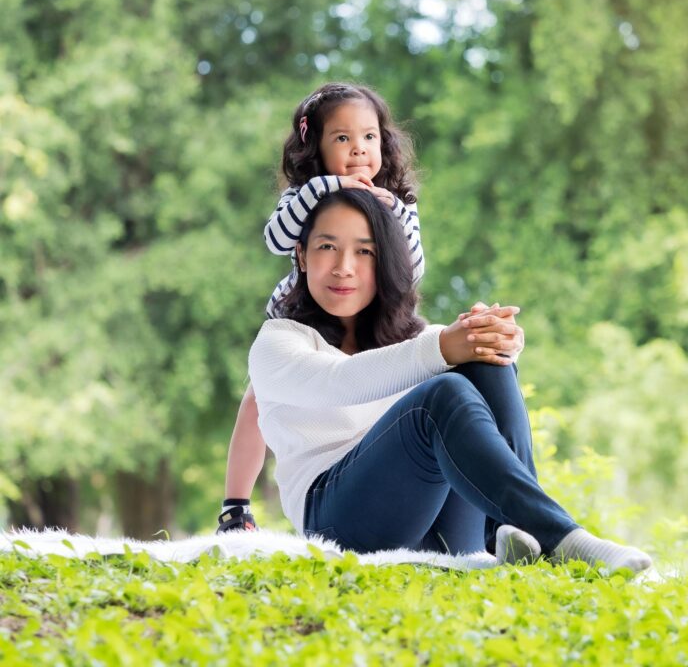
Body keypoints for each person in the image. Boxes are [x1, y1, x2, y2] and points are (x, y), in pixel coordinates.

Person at [247, 188, 653, 572]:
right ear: (301, 255)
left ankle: (514, 532)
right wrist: (446, 345)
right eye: (326, 247)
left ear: (385, 260)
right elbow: (341, 382)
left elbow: (456, 352)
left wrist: (501, 337)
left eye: (364, 251)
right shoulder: (278, 341)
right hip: (338, 521)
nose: (344, 267)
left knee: (479, 358)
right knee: (441, 393)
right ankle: (562, 538)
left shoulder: (412, 342)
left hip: (440, 527)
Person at [217, 82, 427, 533]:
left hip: (368, 319)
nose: (358, 150)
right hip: (303, 317)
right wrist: (327, 188)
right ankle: (236, 505)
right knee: (258, 400)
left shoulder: (397, 201)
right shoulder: (305, 195)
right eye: (342, 139)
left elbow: (413, 268)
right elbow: (276, 239)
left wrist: (391, 216)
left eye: (369, 137)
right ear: (316, 146)